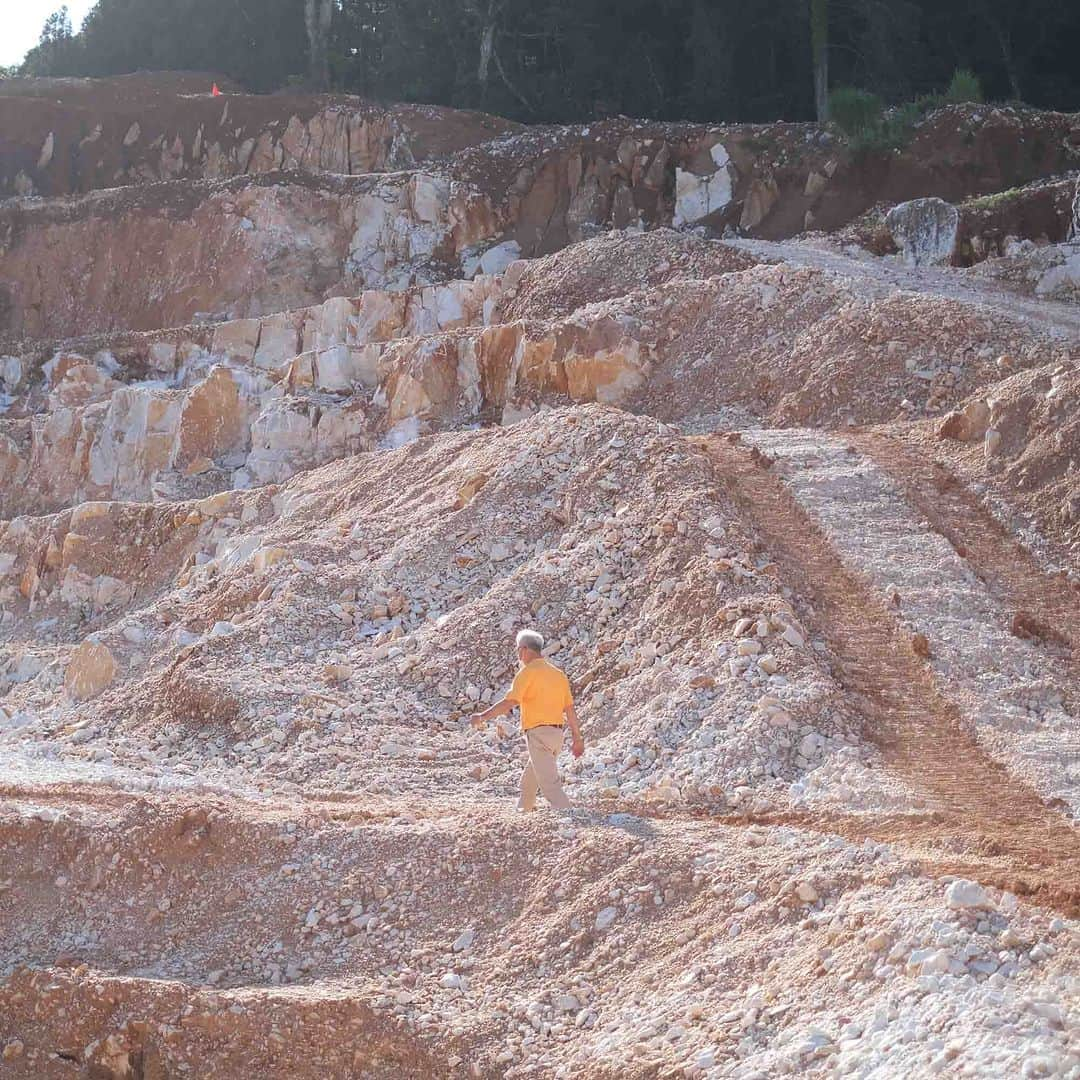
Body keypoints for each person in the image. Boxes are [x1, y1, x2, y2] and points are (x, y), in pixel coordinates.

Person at [470, 629, 584, 811]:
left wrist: (483, 716)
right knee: (529, 781)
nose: (518, 655)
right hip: (556, 736)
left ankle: (571, 820)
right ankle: (523, 812)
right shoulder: (558, 675)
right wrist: (577, 739)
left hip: (538, 735)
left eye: (517, 650)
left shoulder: (527, 673)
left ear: (523, 649)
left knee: (550, 786)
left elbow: (510, 702)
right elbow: (570, 710)